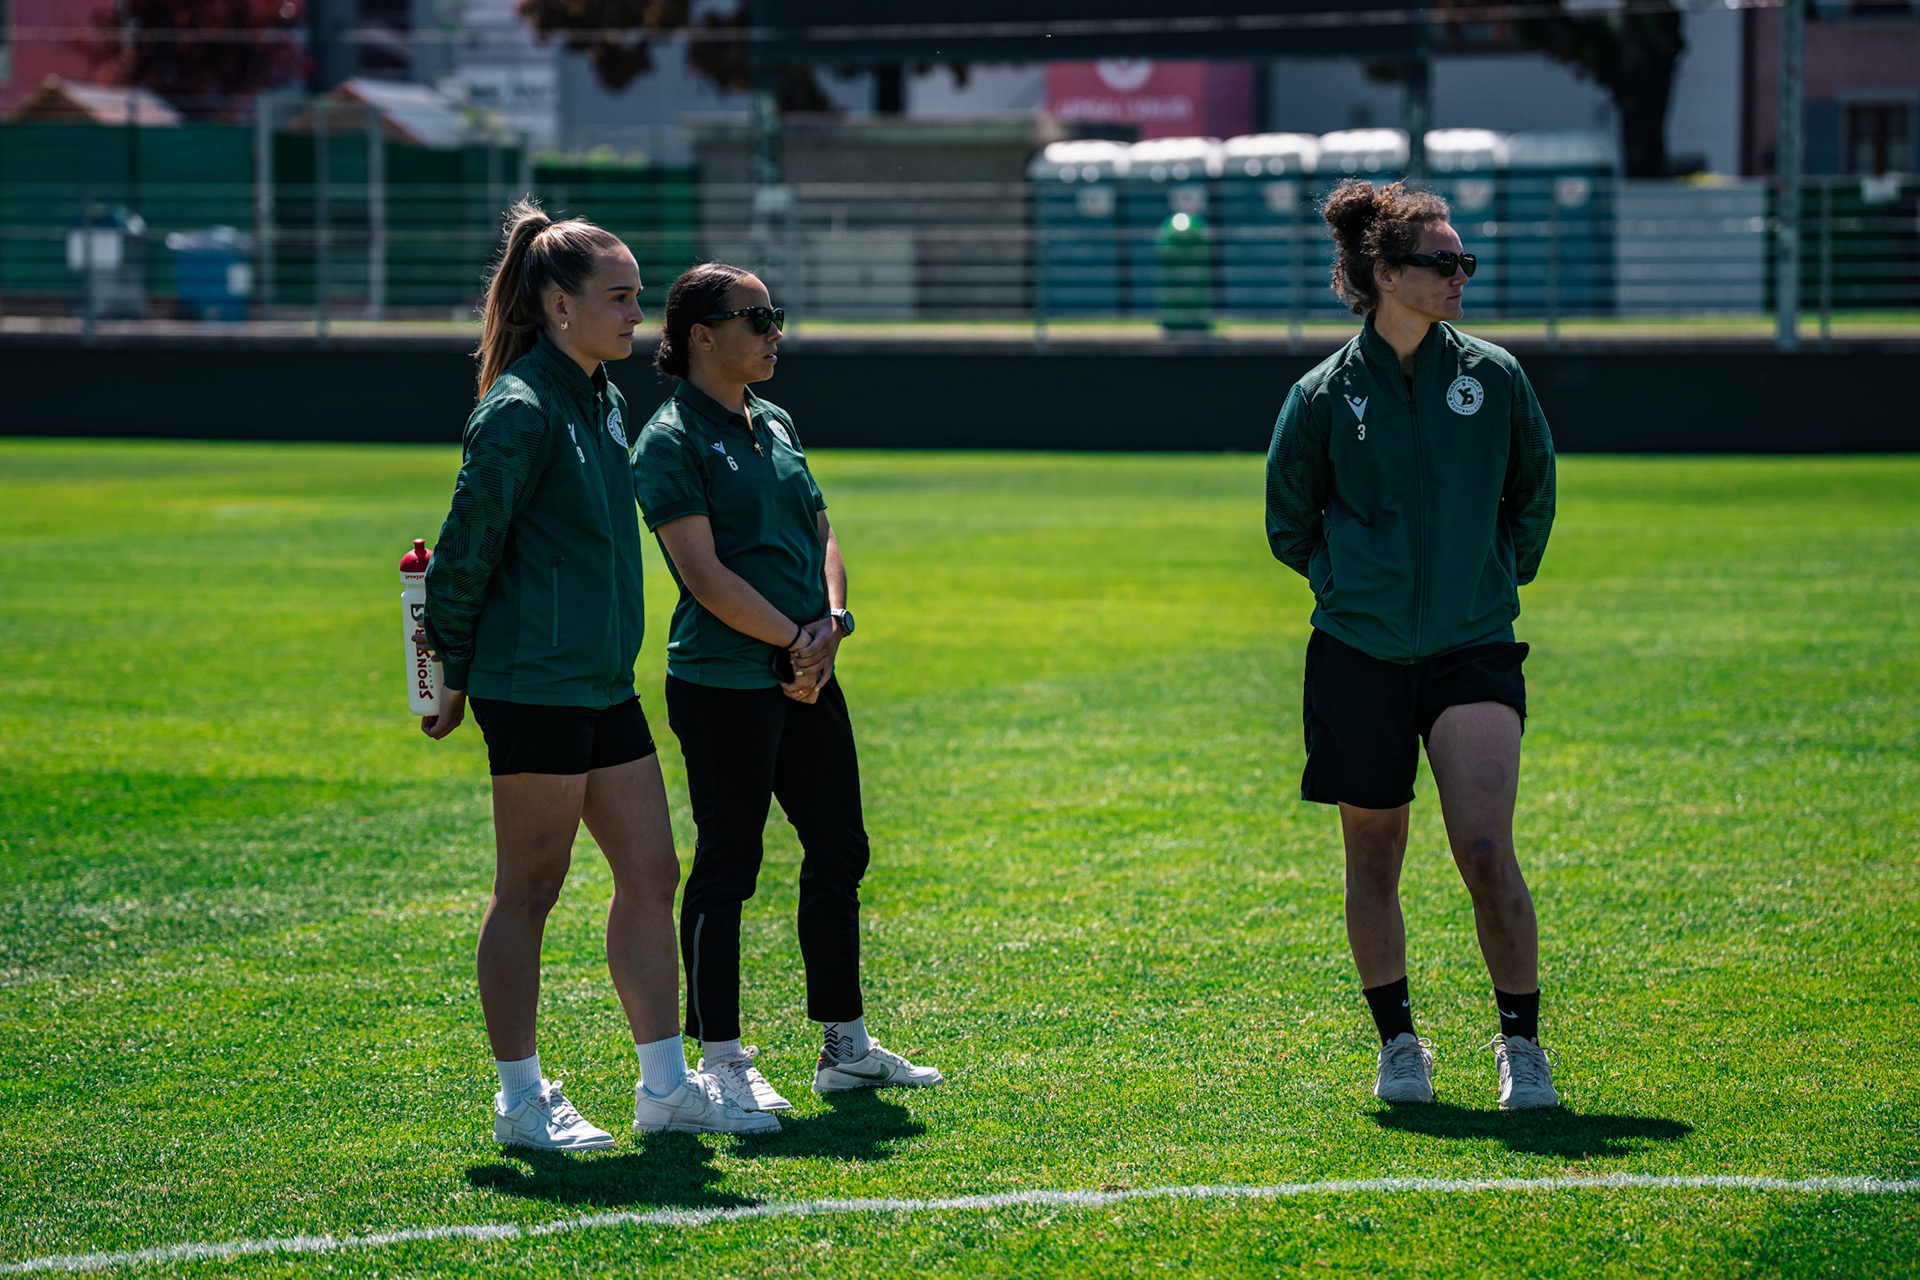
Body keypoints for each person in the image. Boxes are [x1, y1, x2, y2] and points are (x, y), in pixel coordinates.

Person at [422, 201, 777, 1148]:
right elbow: (464, 548)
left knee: (653, 871)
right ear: (556, 304)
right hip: (531, 683)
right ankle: (520, 1100)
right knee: (530, 887)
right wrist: (450, 669)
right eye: (618, 300)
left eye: (637, 298)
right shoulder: (520, 408)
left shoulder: (602, 397)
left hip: (601, 682)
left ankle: (664, 1086)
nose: (636, 316)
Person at [1264, 180, 1560, 1110]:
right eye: (1444, 262)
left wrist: (1489, 581)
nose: (1462, 275)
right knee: (1375, 856)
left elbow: (1534, 493)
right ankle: (1399, 1045)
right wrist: (1352, 588)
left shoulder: (1497, 376)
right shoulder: (1320, 395)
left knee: (1483, 847)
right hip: (1359, 651)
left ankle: (1522, 1047)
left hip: (1473, 644)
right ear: (1386, 275)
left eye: (1465, 260)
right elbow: (1289, 522)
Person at [630, 262, 944, 1113]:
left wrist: (831, 625)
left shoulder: (774, 420)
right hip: (725, 681)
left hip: (806, 675)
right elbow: (703, 575)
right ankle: (720, 1059)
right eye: (757, 318)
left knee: (840, 848)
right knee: (729, 865)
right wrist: (797, 642)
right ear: (701, 334)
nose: (776, 332)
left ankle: (845, 1045)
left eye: (777, 316)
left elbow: (823, 532)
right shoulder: (670, 438)